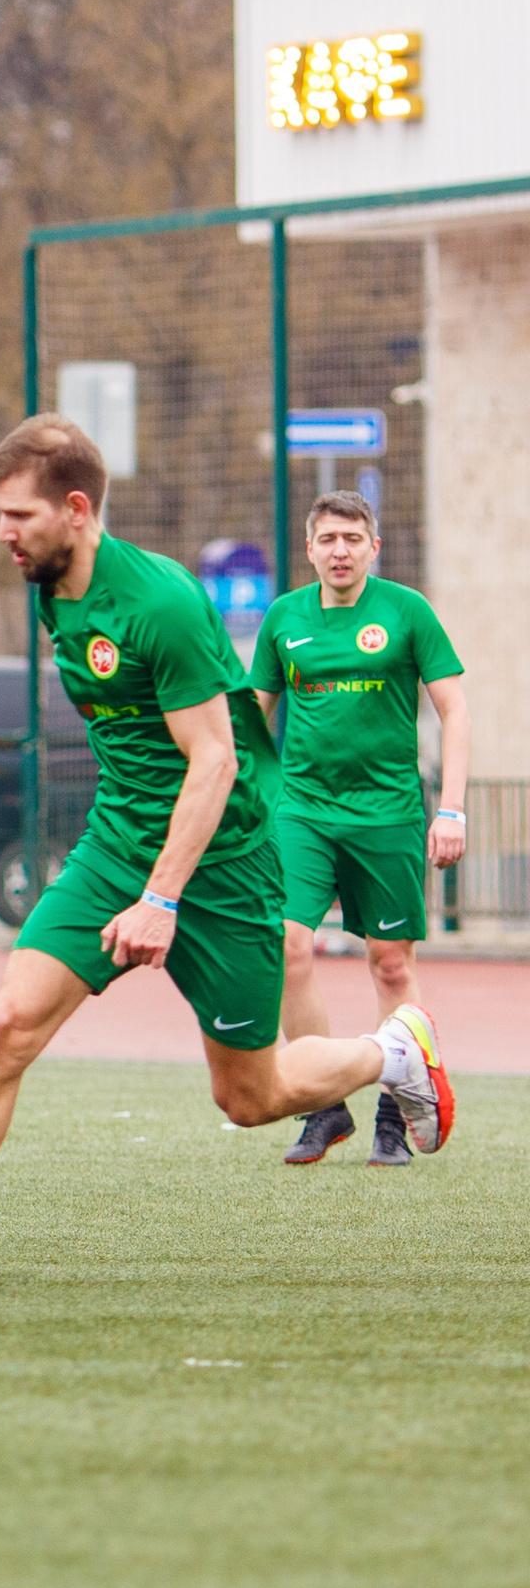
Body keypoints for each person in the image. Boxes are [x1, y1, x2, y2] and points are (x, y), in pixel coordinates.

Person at [0, 418, 453, 1298]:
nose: (3, 533)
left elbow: (217, 761)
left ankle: (392, 1052)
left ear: (76, 509)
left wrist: (162, 899)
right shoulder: (51, 589)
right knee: (6, 1025)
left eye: (19, 515)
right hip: (117, 845)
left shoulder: (161, 603)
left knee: (249, 1097)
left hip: (226, 860)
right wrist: (136, 876)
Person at [250, 492, 469, 1168]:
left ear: (374, 547)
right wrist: (245, 803)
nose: (339, 550)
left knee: (391, 963)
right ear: (309, 549)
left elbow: (455, 709)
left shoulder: (407, 611)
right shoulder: (284, 618)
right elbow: (252, 717)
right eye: (327, 539)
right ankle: (324, 1105)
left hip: (389, 814)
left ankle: (393, 1118)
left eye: (352, 538)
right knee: (285, 946)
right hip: (303, 812)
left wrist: (452, 809)